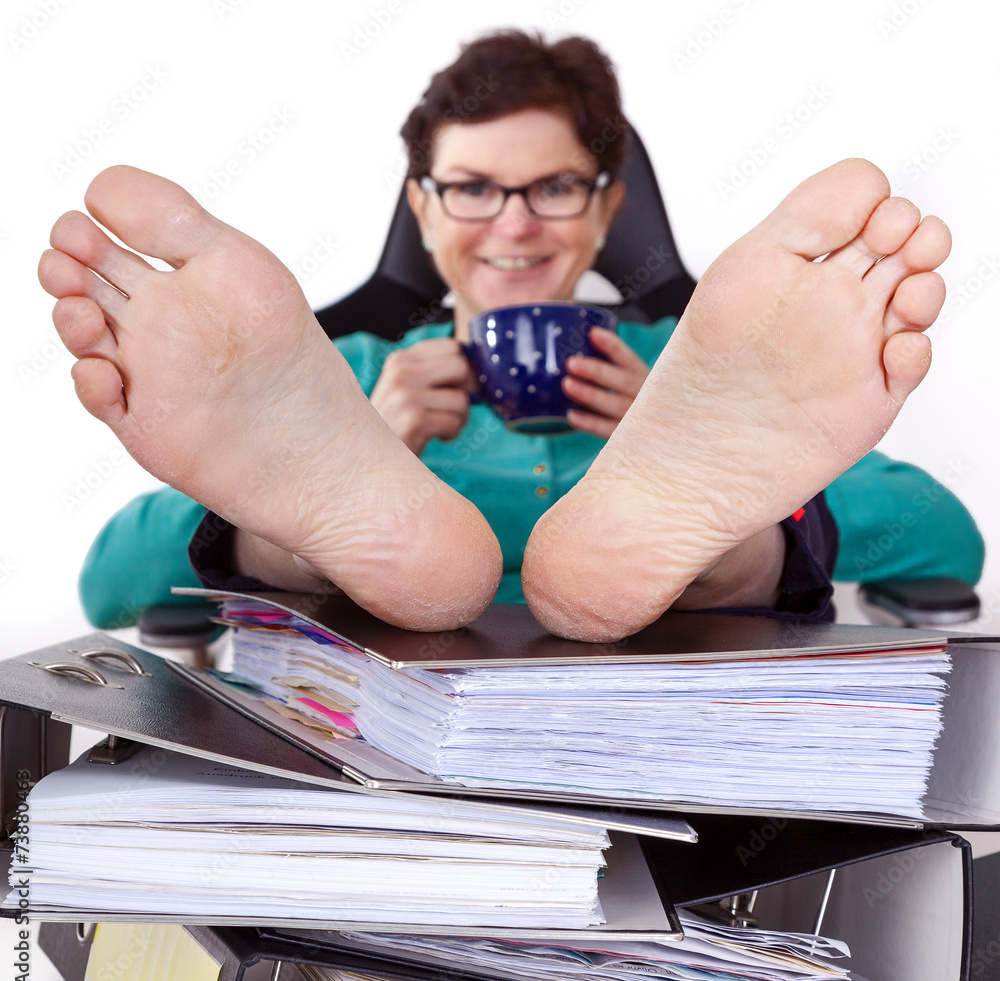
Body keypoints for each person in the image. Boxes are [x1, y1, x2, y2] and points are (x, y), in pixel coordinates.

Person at [42, 31, 977, 643]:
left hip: (667, 698)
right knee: (283, 538)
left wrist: (652, 436)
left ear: (607, 210)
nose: (515, 224)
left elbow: (944, 544)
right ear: (423, 207)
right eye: (474, 188)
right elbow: (113, 582)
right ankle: (301, 541)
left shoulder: (696, 373)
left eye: (556, 188)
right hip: (382, 711)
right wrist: (370, 437)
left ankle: (715, 547)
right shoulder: (338, 380)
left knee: (742, 540)